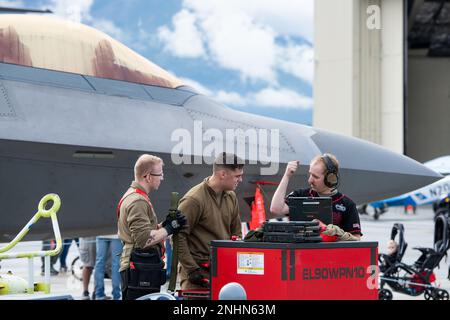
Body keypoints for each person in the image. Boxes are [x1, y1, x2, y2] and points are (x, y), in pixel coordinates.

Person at [117, 154, 187, 300]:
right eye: (160, 174)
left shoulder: (137, 197)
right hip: (138, 267)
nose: (162, 178)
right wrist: (169, 228)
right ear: (148, 176)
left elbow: (143, 232)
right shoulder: (137, 201)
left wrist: (164, 225)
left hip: (140, 266)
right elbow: (143, 240)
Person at [178, 152, 244, 290]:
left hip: (224, 272)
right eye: (237, 176)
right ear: (223, 174)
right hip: (197, 276)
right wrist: (192, 270)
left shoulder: (231, 197)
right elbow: (178, 237)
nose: (241, 180)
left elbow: (237, 234)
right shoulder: (194, 200)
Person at [270, 154, 362, 241]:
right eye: (310, 174)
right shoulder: (300, 195)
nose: (310, 180)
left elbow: (357, 239)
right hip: (301, 255)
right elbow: (276, 209)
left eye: (315, 177)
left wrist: (338, 234)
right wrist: (287, 176)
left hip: (330, 256)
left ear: (330, 179)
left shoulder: (347, 205)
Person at [94, 235, 123, 300]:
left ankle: (99, 294)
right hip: (116, 234)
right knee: (116, 263)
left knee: (99, 263)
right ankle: (116, 295)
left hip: (101, 232)